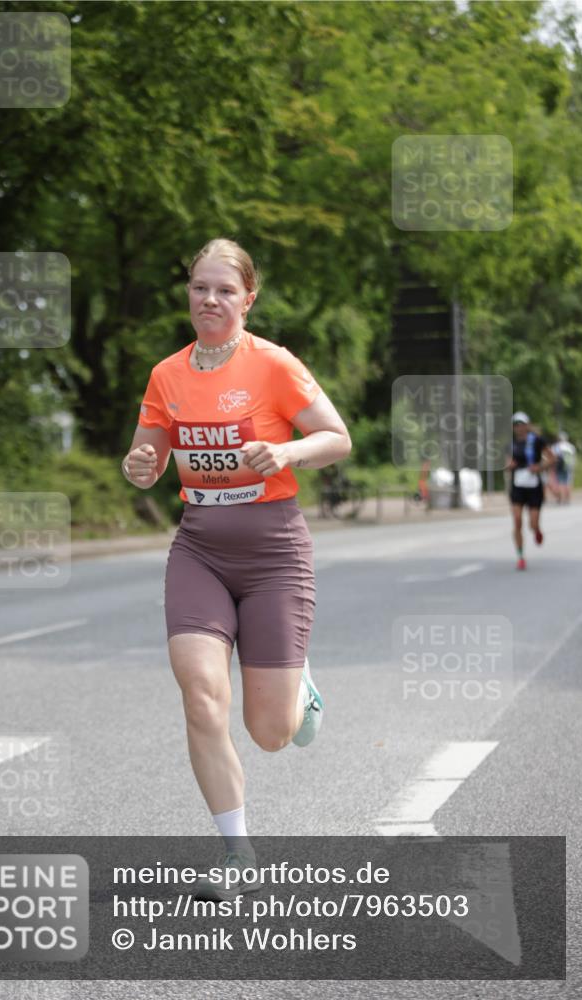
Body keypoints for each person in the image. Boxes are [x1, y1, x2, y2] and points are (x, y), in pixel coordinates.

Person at [122, 239, 351, 897]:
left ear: (247, 299)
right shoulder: (167, 374)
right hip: (199, 549)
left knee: (270, 733)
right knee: (200, 694)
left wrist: (286, 454)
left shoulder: (273, 365)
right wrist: (138, 466)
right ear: (188, 294)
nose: (210, 300)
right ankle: (236, 852)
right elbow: (146, 459)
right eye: (200, 287)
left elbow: (336, 437)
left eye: (225, 290)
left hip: (275, 553)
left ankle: (296, 682)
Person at [504, 412, 555, 571]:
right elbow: (505, 464)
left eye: (521, 424)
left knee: (532, 524)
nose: (519, 427)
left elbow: (552, 459)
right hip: (518, 486)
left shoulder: (537, 441)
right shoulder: (510, 444)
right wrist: (509, 466)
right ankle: (520, 556)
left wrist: (539, 467)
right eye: (515, 424)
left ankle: (537, 530)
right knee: (517, 520)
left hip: (534, 486)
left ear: (527, 425)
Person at [552, 430, 577, 504]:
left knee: (559, 482)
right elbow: (573, 457)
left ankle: (560, 498)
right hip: (568, 466)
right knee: (568, 482)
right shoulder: (570, 446)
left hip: (559, 466)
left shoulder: (556, 446)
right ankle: (567, 499)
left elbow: (553, 457)